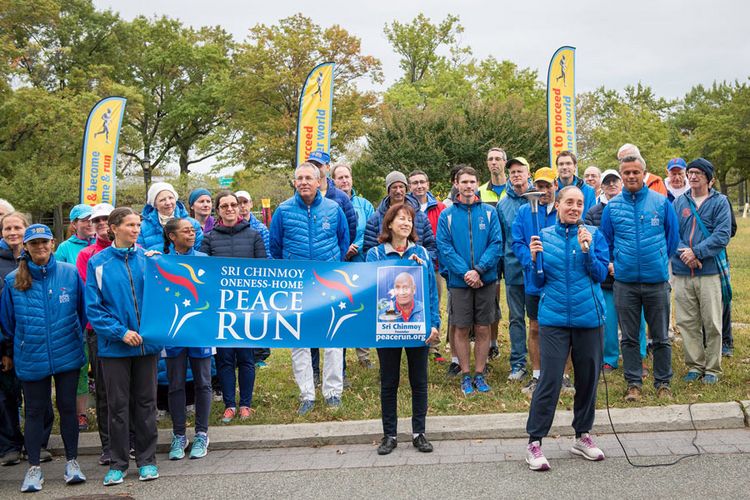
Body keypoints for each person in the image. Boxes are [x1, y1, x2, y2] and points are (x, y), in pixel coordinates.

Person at [524, 187, 609, 471]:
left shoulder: (595, 235)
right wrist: (533, 260)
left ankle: (582, 435)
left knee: (588, 379)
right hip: (554, 319)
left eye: (580, 203)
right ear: (557, 205)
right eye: (569, 202)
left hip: (589, 318)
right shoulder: (543, 237)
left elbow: (599, 275)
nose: (574, 207)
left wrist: (587, 251)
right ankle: (534, 442)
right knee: (550, 380)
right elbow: (536, 285)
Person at [0, 224, 87, 492]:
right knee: (34, 411)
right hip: (31, 355)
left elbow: (82, 313)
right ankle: (34, 468)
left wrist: (73, 335)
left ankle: (72, 462)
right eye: (34, 243)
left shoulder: (70, 274)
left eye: (44, 242)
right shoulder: (13, 280)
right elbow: (7, 323)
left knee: (68, 409)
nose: (40, 247)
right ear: (25, 247)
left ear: (52, 243)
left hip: (67, 352)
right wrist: (11, 350)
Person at [86, 207, 162, 485]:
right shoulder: (98, 263)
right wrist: (120, 332)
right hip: (115, 348)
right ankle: (117, 463)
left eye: (138, 225)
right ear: (114, 228)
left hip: (146, 346)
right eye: (130, 225)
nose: (136, 230)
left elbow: (164, 297)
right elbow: (93, 309)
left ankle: (147, 461)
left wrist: (161, 267)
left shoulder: (149, 260)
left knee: (146, 404)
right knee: (117, 407)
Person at [270, 163, 348, 414]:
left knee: (333, 337)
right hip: (297, 285)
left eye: (308, 178)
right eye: (299, 178)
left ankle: (333, 392)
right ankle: (307, 395)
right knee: (300, 340)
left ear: (318, 182)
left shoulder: (334, 209)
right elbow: (275, 247)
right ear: (294, 182)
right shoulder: (282, 211)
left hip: (329, 282)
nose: (303, 182)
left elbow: (343, 240)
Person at [601, 154, 679, 402]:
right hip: (625, 283)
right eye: (627, 173)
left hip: (656, 281)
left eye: (636, 172)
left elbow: (672, 237)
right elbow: (607, 241)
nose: (631, 176)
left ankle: (663, 382)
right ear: (621, 175)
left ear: (643, 174)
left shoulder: (661, 201)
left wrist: (657, 259)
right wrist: (620, 261)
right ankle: (633, 383)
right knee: (630, 337)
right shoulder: (612, 207)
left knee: (660, 337)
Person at [366, 203, 440, 455]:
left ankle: (419, 433)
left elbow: (431, 292)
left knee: (419, 381)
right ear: (389, 224)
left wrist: (435, 324)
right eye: (400, 218)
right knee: (389, 382)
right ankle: (390, 435)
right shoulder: (375, 255)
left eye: (409, 219)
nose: (406, 223)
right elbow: (369, 293)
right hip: (386, 330)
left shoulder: (421, 252)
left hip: (418, 329)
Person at [201, 191, 266, 423]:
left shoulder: (254, 235)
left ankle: (246, 404)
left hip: (247, 306)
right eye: (224, 206)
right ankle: (229, 404)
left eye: (233, 205)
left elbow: (263, 270)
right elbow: (204, 274)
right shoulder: (209, 238)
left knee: (246, 357)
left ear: (240, 208)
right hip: (221, 307)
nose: (229, 209)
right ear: (218, 210)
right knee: (225, 358)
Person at [437, 166, 502, 395]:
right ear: (456, 183)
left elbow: (496, 244)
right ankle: (465, 374)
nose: (468, 186)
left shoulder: (489, 212)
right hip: (459, 280)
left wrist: (479, 270)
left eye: (472, 181)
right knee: (462, 328)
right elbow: (444, 247)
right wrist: (466, 272)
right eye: (464, 181)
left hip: (485, 279)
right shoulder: (447, 215)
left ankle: (480, 373)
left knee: (483, 327)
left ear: (477, 184)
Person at [671, 158, 731, 384]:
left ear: (709, 178)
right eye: (691, 172)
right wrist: (684, 254)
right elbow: (671, 233)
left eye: (698, 173)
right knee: (687, 321)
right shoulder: (679, 202)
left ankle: (713, 368)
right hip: (682, 271)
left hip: (709, 271)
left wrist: (697, 253)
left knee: (712, 321)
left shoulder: (720, 202)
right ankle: (695, 365)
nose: (693, 176)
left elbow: (722, 234)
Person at [585, 171, 648, 374]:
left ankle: (639, 357)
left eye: (614, 181)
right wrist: (608, 264)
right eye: (607, 182)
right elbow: (592, 242)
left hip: (630, 273)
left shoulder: (632, 206)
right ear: (601, 186)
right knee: (609, 321)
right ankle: (610, 359)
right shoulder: (593, 212)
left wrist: (621, 264)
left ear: (621, 183)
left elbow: (638, 240)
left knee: (635, 319)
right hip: (606, 276)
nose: (611, 185)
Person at [162, 218, 212, 459]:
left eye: (194, 230)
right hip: (173, 331)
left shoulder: (204, 260)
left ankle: (202, 434)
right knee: (176, 383)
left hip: (201, 330)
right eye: (186, 231)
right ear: (172, 236)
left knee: (203, 383)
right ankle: (179, 435)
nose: (192, 234)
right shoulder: (161, 261)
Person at [511, 168, 563, 396]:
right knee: (535, 326)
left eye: (547, 186)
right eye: (539, 187)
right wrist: (530, 260)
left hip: (559, 278)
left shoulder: (562, 210)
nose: (542, 191)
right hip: (534, 279)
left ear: (555, 186)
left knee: (563, 326)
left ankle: (564, 376)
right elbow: (517, 242)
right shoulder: (524, 212)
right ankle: (537, 375)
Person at [76, 203, 120, 466]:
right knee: (104, 390)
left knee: (130, 391)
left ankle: (131, 440)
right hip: (99, 331)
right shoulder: (88, 256)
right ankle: (108, 445)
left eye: (107, 218)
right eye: (97, 220)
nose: (102, 223)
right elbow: (93, 295)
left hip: (131, 331)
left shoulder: (134, 251)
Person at [55, 204, 95, 433]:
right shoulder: (64, 249)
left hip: (97, 315)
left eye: (92, 219)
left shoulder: (101, 244)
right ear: (74, 224)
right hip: (75, 315)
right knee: (80, 365)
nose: (89, 223)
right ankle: (80, 414)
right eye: (84, 220)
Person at [331, 163, 376, 368]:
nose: (344, 181)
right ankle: (340, 356)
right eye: (340, 177)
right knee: (340, 309)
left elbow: (372, 230)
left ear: (352, 180)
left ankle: (363, 355)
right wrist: (342, 249)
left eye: (347, 177)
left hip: (361, 261)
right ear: (333, 181)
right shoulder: (328, 202)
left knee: (361, 307)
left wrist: (356, 246)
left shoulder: (365, 205)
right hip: (338, 263)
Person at [408, 169, 447, 363]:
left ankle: (433, 346)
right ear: (409, 186)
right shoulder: (405, 207)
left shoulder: (439, 208)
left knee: (433, 303)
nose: (419, 186)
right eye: (414, 183)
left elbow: (436, 240)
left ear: (428, 184)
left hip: (433, 264)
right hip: (407, 267)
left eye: (422, 182)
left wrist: (428, 260)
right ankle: (412, 340)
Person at [496, 158, 530, 381]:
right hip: (513, 270)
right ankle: (518, 362)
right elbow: (501, 239)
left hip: (540, 270)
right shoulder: (503, 204)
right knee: (517, 318)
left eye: (520, 171)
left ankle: (544, 360)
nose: (516, 175)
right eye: (513, 172)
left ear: (529, 173)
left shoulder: (539, 197)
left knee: (541, 319)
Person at [363, 171, 437, 264]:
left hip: (417, 270)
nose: (398, 191)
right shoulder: (375, 218)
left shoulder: (420, 216)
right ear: (388, 190)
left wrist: (423, 263)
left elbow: (431, 246)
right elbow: (368, 250)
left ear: (406, 189)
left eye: (401, 187)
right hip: (385, 272)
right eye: (394, 187)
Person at [307, 150, 357, 245]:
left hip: (332, 254)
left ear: (327, 167)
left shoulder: (341, 197)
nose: (315, 168)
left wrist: (339, 250)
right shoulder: (303, 195)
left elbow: (350, 229)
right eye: (312, 165)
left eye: (318, 165)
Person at [138, 182, 203, 251]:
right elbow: (140, 253)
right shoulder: (143, 227)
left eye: (171, 198)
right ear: (154, 204)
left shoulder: (192, 223)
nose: (168, 203)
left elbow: (199, 251)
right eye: (162, 200)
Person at [555, 151, 596, 216]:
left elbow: (592, 218)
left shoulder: (589, 191)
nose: (564, 167)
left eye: (568, 163)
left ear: (575, 167)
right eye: (561, 164)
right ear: (557, 167)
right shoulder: (552, 191)